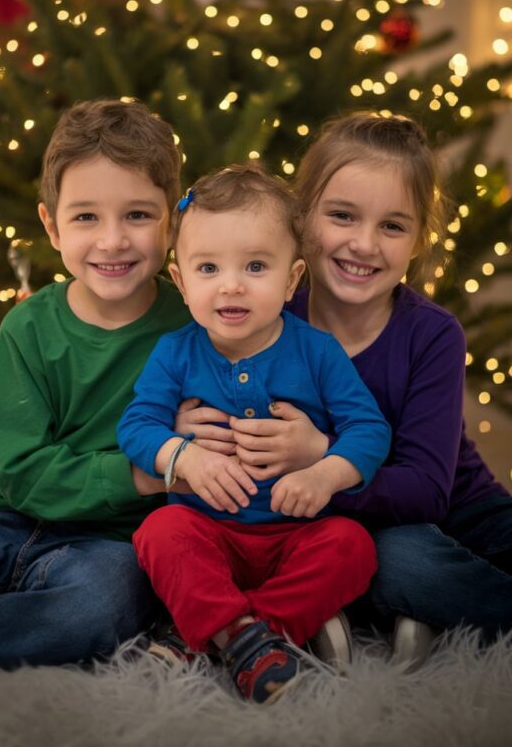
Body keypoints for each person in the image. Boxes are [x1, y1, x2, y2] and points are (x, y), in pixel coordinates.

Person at [178, 112, 512, 666]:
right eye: (342, 216)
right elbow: (206, 394)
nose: (364, 244)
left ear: (419, 239)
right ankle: (412, 605)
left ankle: (422, 610)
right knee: (398, 562)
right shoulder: (263, 318)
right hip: (354, 535)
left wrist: (320, 458)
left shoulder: (431, 334)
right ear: (303, 217)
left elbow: (429, 491)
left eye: (393, 226)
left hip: (461, 509)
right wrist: (187, 430)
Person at [117, 164, 391, 703]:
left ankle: (235, 633)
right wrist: (184, 459)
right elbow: (138, 426)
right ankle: (250, 640)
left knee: (352, 547)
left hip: (295, 532)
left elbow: (369, 429)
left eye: (256, 266)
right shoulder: (175, 352)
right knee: (159, 533)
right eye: (209, 267)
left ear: (291, 280)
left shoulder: (317, 351)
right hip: (207, 529)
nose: (231, 284)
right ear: (181, 279)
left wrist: (325, 473)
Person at [0, 98, 191, 669]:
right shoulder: (27, 327)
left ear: (172, 221)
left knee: (98, 608)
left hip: (109, 547)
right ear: (51, 225)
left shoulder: (193, 327)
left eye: (137, 215)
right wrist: (141, 473)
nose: (112, 241)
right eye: (85, 217)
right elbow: (23, 472)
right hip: (0, 519)